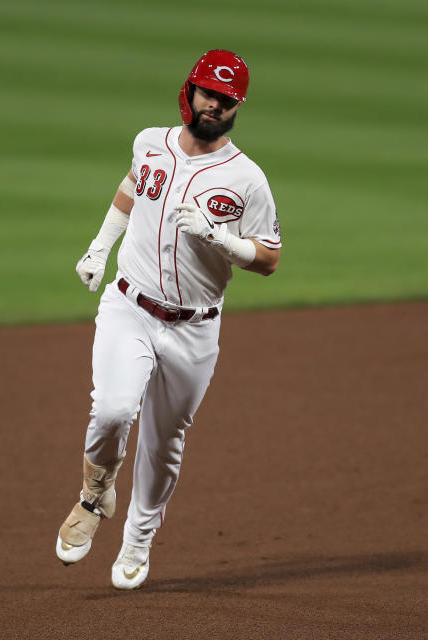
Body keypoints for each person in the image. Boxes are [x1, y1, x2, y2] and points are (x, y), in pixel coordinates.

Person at [56, 49, 282, 590]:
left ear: (236, 108)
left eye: (226, 101)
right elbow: (133, 186)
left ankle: (138, 540)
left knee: (164, 442)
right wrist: (98, 246)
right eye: (208, 93)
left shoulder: (247, 179)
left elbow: (270, 257)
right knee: (111, 410)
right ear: (190, 90)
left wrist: (222, 240)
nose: (214, 106)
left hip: (195, 328)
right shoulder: (149, 142)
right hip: (129, 306)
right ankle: (95, 494)